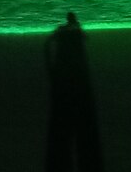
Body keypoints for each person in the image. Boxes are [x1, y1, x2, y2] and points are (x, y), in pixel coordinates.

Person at [45, 12, 103, 172]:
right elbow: (85, 38)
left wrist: (50, 69)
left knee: (59, 134)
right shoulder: (75, 29)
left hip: (62, 76)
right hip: (77, 75)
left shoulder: (62, 30)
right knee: (87, 132)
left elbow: (48, 43)